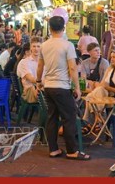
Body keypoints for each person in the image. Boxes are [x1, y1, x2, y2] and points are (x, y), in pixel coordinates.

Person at [36, 15, 89, 160]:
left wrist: (38, 81)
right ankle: (72, 151)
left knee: (52, 117)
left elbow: (40, 66)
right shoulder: (67, 45)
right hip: (62, 86)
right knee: (69, 118)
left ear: (50, 28)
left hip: (48, 86)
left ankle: (53, 149)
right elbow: (72, 68)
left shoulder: (44, 45)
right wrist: (77, 87)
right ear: (64, 28)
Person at [17, 38, 42, 103]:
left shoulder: (44, 62)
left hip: (41, 89)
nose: (36, 49)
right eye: (34, 46)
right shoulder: (24, 62)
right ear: (30, 48)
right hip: (30, 91)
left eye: (38, 46)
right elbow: (31, 79)